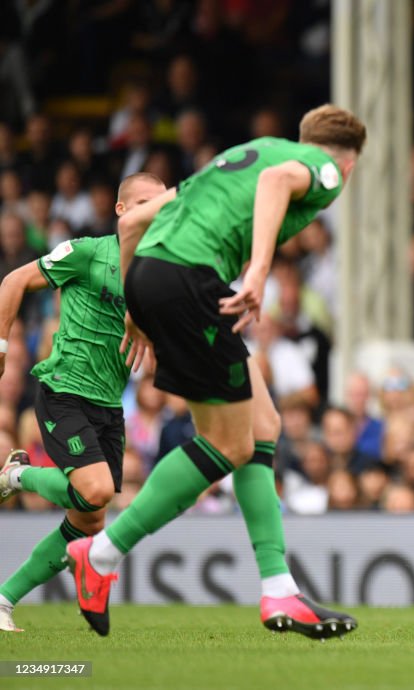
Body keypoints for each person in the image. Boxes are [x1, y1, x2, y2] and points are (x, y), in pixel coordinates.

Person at [62, 104, 367, 639]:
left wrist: (135, 304)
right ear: (350, 162)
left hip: (158, 277)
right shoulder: (321, 168)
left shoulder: (237, 158)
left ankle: (280, 592)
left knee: (262, 428)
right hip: (191, 280)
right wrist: (259, 270)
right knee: (229, 446)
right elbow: (277, 183)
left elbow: (131, 222)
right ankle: (103, 554)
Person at [0, 172, 166, 632]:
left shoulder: (158, 269)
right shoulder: (89, 252)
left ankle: (4, 599)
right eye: (143, 203)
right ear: (121, 210)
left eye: (159, 204)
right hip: (64, 391)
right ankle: (17, 474)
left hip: (110, 405)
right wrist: (1, 347)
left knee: (90, 519)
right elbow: (12, 282)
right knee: (95, 491)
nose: (153, 212)